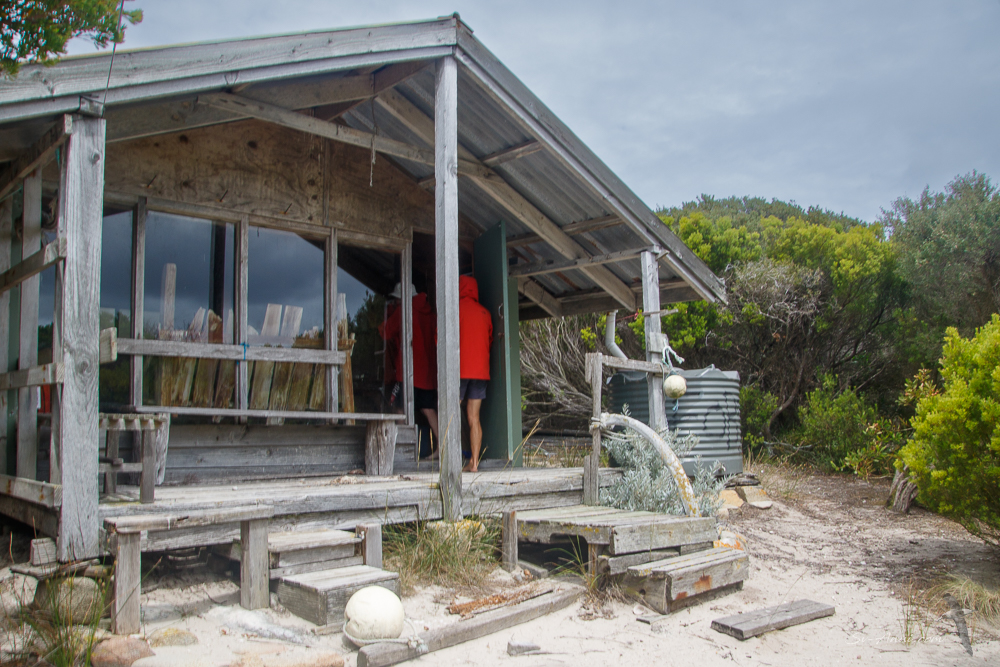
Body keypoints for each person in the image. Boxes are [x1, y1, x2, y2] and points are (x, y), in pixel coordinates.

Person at [380, 283, 439, 451]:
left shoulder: (404, 310)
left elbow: (385, 332)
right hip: (427, 373)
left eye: (397, 300)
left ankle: (402, 448)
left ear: (402, 298)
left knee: (399, 408)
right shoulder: (429, 313)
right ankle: (442, 448)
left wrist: (389, 314)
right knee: (428, 409)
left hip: (407, 371)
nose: (397, 302)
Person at [458, 275, 492, 472]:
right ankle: (474, 463)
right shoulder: (485, 313)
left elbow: (440, 338)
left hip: (459, 370)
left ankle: (450, 460)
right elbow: (490, 339)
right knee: (474, 418)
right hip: (480, 372)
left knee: (451, 414)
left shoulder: (455, 310)